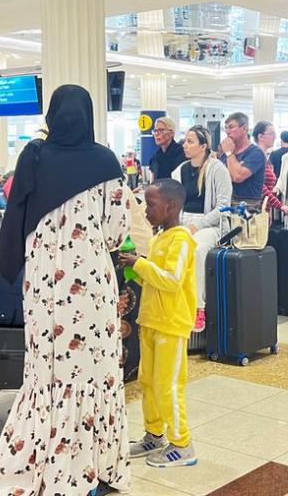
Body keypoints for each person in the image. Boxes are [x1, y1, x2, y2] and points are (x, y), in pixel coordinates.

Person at [0, 84, 131, 495]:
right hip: (88, 283)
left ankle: (42, 465)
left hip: (42, 284)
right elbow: (116, 233)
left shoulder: (34, 157)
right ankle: (95, 466)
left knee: (46, 371)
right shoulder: (106, 161)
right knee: (92, 372)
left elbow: (14, 220)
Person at [119, 179, 198, 468]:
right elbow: (152, 279)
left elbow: (172, 280)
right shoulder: (157, 238)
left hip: (170, 325)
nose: (145, 210)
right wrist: (134, 269)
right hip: (150, 321)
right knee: (148, 382)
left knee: (168, 386)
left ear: (172, 206)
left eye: (151, 205)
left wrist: (140, 263)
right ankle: (154, 434)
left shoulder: (182, 240)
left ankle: (182, 444)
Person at [171, 125, 231, 332]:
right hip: (184, 222)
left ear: (204, 146)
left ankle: (199, 308)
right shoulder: (179, 170)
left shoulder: (217, 169)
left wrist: (200, 224)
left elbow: (224, 206)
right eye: (185, 141)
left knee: (196, 250)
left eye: (190, 141)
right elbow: (175, 202)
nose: (185, 145)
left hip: (212, 225)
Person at [220, 112, 266, 208]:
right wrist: (234, 168)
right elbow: (221, 178)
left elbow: (237, 176)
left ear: (244, 128)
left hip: (248, 208)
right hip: (227, 203)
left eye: (231, 127)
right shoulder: (225, 153)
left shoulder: (255, 153)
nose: (227, 131)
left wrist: (229, 154)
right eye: (226, 128)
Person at [252, 121, 286, 213]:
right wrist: (280, 205)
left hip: (264, 209)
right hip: (257, 210)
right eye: (271, 134)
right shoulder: (256, 156)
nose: (275, 137)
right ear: (260, 137)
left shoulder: (263, 156)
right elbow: (260, 186)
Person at [148, 116, 185, 180]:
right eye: (155, 131)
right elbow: (153, 181)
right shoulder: (155, 157)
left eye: (161, 130)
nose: (156, 134)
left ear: (171, 133)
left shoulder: (181, 154)